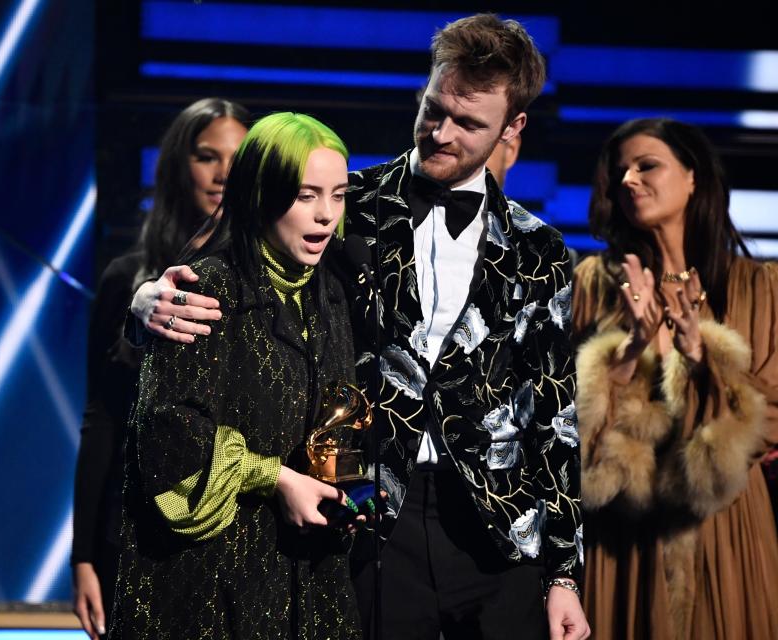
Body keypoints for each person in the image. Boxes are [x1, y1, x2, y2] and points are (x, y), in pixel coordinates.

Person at [131, 14, 590, 640]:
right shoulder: (342, 202)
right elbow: (221, 262)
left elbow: (555, 414)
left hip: (497, 533)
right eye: (434, 109)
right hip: (371, 519)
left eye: (469, 123)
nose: (440, 132)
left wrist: (564, 575)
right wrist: (143, 301)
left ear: (513, 130)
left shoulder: (542, 253)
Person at [109, 112, 362, 639]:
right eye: (305, 195)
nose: (325, 216)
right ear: (260, 193)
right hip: (209, 582)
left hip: (305, 581)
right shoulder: (207, 289)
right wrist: (275, 478)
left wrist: (349, 494)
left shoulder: (329, 293)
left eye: (337, 195)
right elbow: (167, 434)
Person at [573, 117, 778, 639]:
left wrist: (705, 358)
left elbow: (773, 413)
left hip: (727, 528)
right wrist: (629, 353)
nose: (628, 181)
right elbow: (565, 425)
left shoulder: (759, 286)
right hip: (625, 538)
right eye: (620, 173)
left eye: (647, 166)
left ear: (693, 177)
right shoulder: (594, 285)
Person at [70, 97, 248, 640]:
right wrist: (82, 558)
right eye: (205, 156)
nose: (222, 174)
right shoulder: (127, 280)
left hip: (238, 533)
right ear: (177, 166)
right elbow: (102, 418)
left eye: (237, 158)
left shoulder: (266, 284)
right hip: (134, 531)